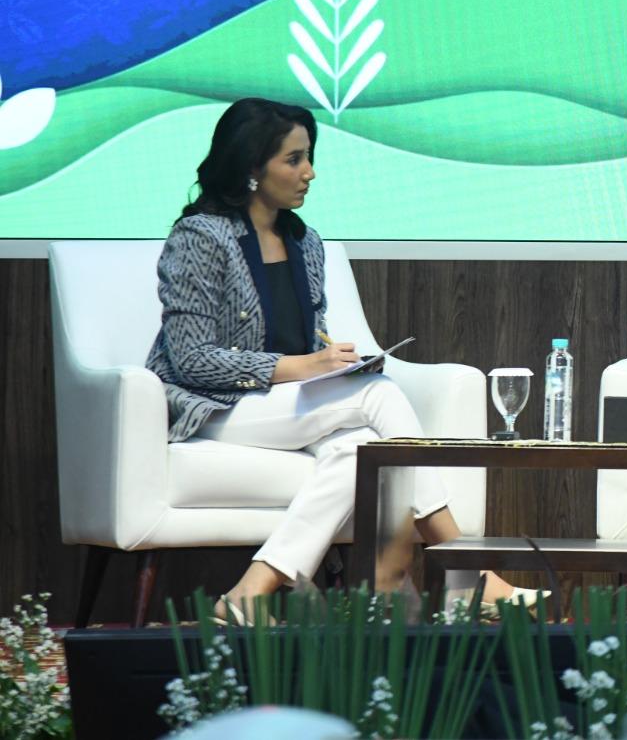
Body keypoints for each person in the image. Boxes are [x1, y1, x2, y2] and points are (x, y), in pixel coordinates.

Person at [147, 98, 534, 621]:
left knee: (362, 449)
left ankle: (248, 594)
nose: (309, 172)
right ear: (252, 167)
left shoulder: (305, 242)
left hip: (283, 405)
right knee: (379, 397)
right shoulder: (200, 237)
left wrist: (335, 362)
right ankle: (469, 574)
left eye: (309, 157)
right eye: (293, 160)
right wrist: (302, 367)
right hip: (213, 406)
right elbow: (190, 359)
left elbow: (309, 336)